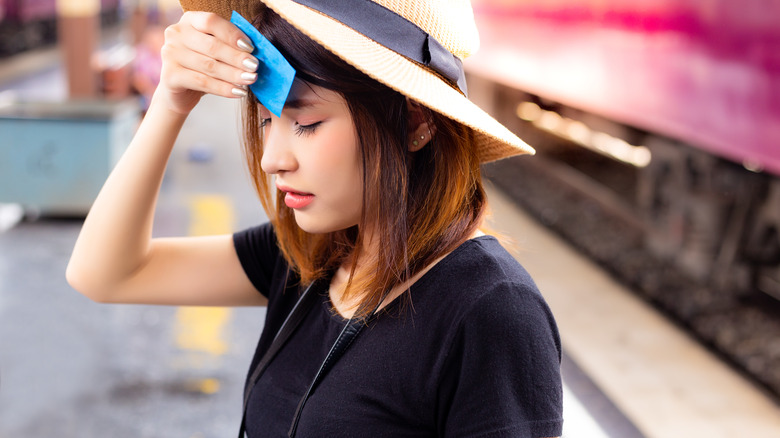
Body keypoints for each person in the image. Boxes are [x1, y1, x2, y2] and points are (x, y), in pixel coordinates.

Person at [67, 0, 564, 436]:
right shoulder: (311, 256)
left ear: (415, 120)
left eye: (305, 123)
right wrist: (170, 103)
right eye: (266, 119)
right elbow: (105, 273)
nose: (271, 159)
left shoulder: (492, 312)